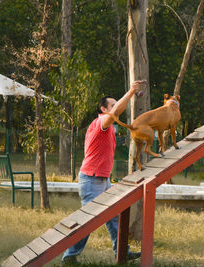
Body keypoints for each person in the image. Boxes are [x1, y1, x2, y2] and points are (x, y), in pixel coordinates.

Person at [61, 81, 145, 266]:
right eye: (112, 105)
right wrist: (131, 91)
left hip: (102, 180)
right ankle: (69, 256)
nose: (115, 108)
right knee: (87, 221)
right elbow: (115, 113)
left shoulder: (107, 126)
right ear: (103, 109)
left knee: (114, 216)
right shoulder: (101, 122)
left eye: (116, 104)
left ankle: (122, 253)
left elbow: (116, 114)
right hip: (91, 180)